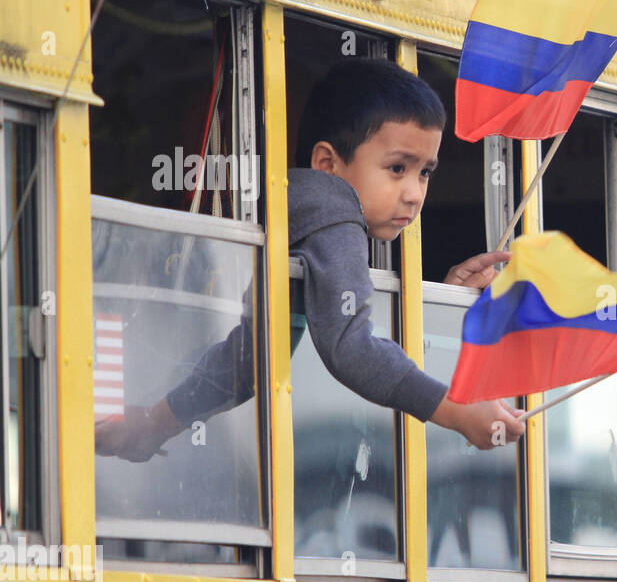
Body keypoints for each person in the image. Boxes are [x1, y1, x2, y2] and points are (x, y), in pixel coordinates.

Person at [95, 58, 526, 461]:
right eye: (398, 168)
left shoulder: (304, 208)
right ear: (327, 164)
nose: (414, 193)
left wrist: (154, 421)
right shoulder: (333, 213)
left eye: (425, 172)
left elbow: (249, 361)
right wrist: (456, 413)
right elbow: (351, 348)